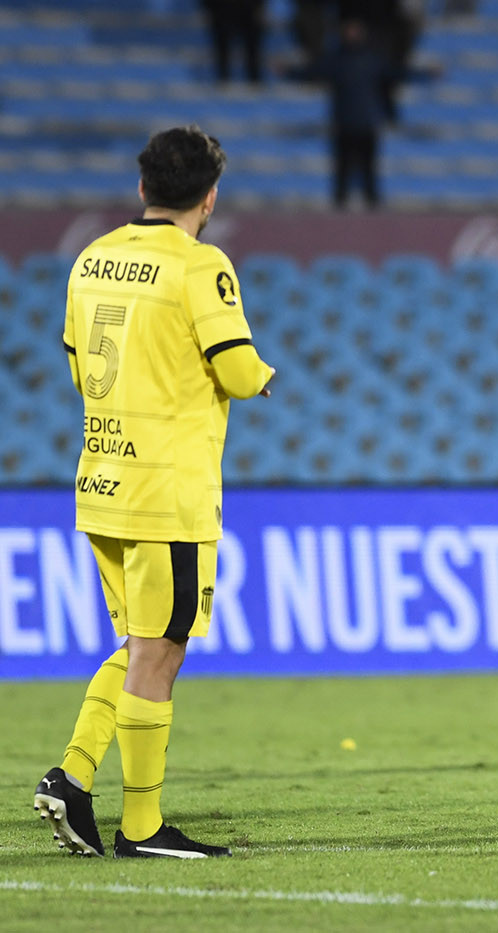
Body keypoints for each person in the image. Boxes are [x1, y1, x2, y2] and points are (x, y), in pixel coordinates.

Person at [33, 125, 276, 859]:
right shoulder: (201, 266)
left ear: (142, 188)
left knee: (142, 646)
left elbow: (78, 368)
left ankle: (73, 776)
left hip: (102, 482)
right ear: (210, 196)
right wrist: (263, 376)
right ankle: (140, 826)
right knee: (160, 649)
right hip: (167, 490)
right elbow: (234, 370)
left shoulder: (92, 257)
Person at [326, 18, 394, 208]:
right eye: (349, 31)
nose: (353, 35)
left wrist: (425, 74)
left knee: (369, 170)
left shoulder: (373, 60)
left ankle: (373, 208)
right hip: (344, 124)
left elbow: (397, 73)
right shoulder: (337, 60)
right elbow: (313, 71)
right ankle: (339, 209)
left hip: (367, 123)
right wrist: (289, 71)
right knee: (342, 170)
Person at [202, 0, 266, 83]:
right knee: (222, 47)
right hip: (221, 11)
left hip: (249, 11)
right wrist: (211, 9)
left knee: (252, 48)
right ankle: (223, 79)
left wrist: (258, 7)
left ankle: (254, 79)